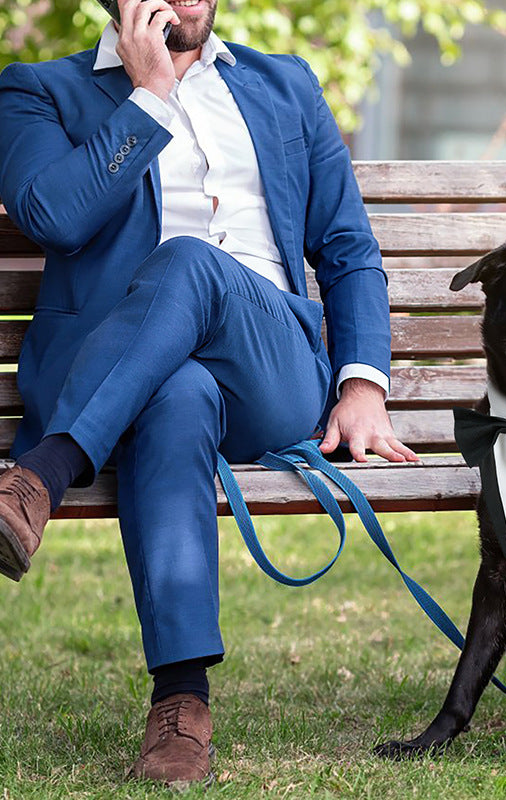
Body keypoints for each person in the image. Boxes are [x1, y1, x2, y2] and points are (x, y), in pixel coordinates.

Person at [0, 0, 416, 785]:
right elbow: (52, 215)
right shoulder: (37, 90)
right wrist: (149, 95)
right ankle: (181, 703)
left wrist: (362, 380)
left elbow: (348, 247)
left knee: (191, 261)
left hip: (271, 365)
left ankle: (42, 477)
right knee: (177, 391)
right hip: (131, 375)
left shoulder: (285, 84)